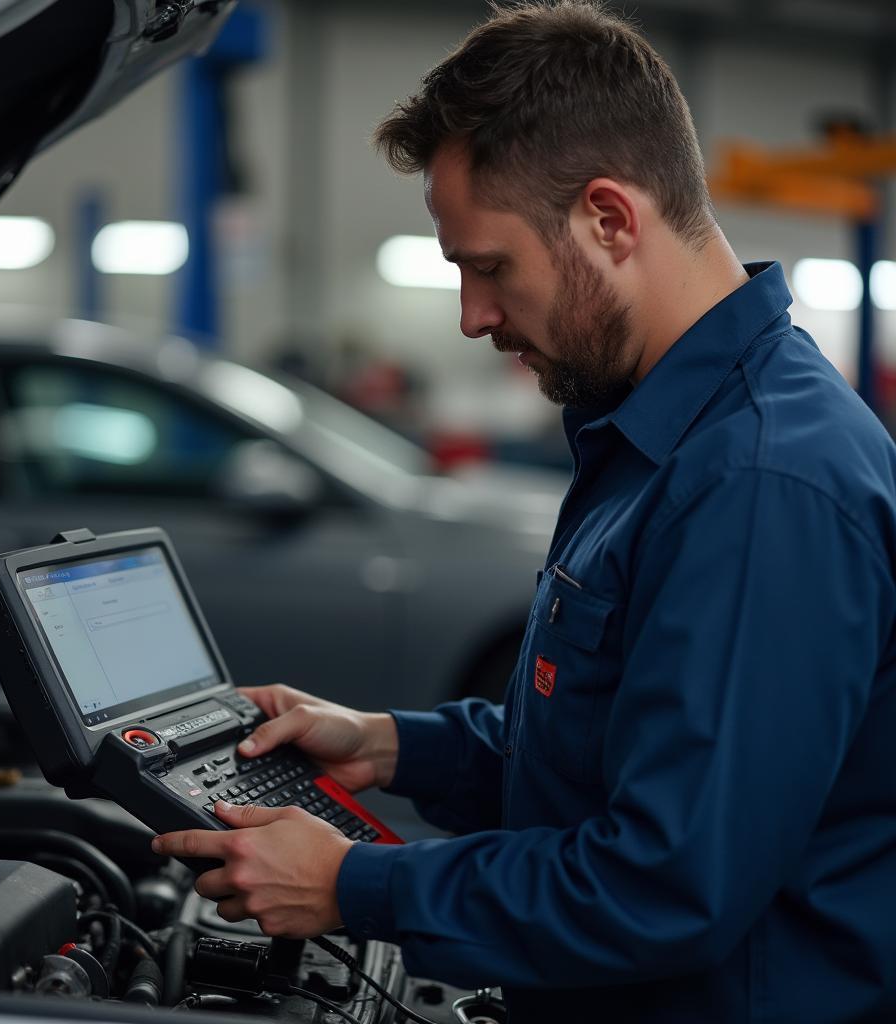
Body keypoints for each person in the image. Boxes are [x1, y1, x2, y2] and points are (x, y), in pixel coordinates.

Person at [152, 2, 896, 1020]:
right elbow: (609, 752)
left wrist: (350, 884)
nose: (472, 315)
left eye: (487, 265)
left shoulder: (759, 482)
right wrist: (387, 744)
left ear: (608, 219)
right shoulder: (655, 436)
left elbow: (664, 881)